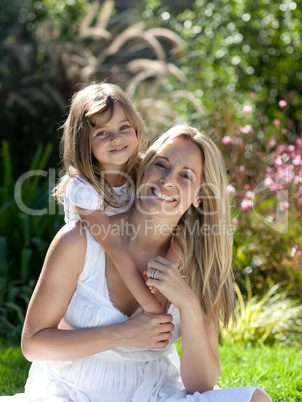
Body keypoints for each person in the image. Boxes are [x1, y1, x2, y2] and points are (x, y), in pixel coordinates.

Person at [3, 125, 272, 401]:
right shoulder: (80, 241)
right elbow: (33, 343)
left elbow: (200, 384)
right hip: (71, 392)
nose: (167, 180)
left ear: (200, 196)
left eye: (185, 176)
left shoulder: (199, 264)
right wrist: (123, 334)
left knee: (255, 399)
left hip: (152, 392)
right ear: (144, 170)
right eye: (161, 166)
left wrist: (188, 303)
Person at [52, 82, 179, 314]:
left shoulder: (144, 171)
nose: (116, 138)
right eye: (102, 133)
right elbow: (115, 248)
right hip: (91, 273)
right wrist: (152, 308)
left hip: (134, 268)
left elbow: (179, 223)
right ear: (83, 143)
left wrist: (167, 271)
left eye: (124, 127)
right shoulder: (83, 188)